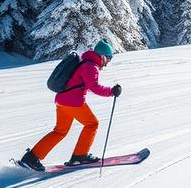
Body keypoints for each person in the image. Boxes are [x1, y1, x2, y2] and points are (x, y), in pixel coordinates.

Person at [18, 39, 122, 171]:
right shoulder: (91, 66)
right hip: (74, 102)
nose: (107, 63)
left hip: (62, 101)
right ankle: (80, 156)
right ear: (102, 56)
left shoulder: (85, 63)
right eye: (108, 58)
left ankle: (31, 158)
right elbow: (94, 87)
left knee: (60, 131)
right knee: (92, 124)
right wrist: (111, 91)